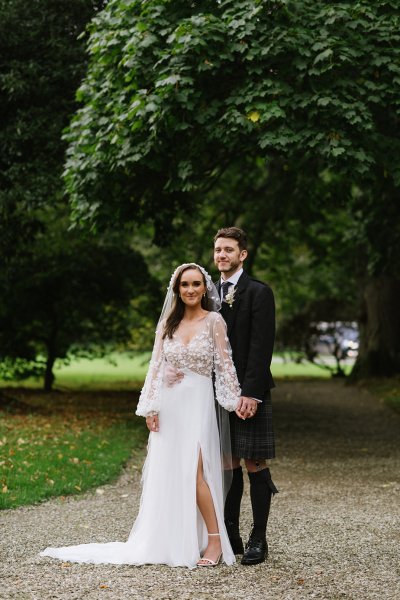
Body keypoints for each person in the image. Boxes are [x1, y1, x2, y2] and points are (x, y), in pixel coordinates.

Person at [40, 263, 241, 568]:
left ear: (204, 288)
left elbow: (226, 366)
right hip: (171, 405)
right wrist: (151, 405)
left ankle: (213, 541)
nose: (190, 290)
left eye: (196, 284)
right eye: (184, 285)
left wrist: (235, 400)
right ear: (177, 290)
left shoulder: (214, 321)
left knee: (196, 472)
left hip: (197, 404)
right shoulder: (166, 326)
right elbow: (155, 366)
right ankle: (172, 539)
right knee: (169, 472)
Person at [215, 226, 278, 566]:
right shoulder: (208, 291)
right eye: (218, 250)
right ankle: (230, 533)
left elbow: (261, 345)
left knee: (254, 461)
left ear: (243, 254)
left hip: (250, 391)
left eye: (228, 249)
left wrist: (251, 393)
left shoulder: (258, 292)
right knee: (227, 462)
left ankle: (258, 538)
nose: (222, 255)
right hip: (217, 392)